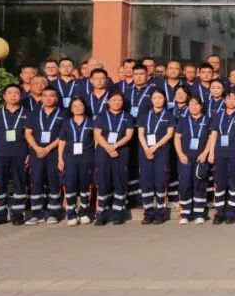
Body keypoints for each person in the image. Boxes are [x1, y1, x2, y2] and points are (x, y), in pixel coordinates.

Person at [0, 84, 31, 226]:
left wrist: (29, 153)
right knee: (0, 185)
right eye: (9, 93)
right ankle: (0, 215)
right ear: (4, 96)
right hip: (0, 154)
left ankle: (18, 215)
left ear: (21, 95)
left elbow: (30, 135)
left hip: (20, 154)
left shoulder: (28, 113)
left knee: (19, 184)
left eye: (16, 93)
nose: (13, 95)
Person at [92, 93, 135, 226]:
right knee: (103, 181)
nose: (117, 102)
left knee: (119, 181)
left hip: (121, 152)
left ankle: (118, 213)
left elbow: (128, 136)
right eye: (114, 100)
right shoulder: (101, 116)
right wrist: (108, 147)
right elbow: (97, 134)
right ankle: (102, 214)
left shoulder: (128, 116)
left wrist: (114, 146)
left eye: (119, 100)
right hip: (103, 152)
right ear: (108, 101)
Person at [24, 86, 65, 224]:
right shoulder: (33, 114)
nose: (48, 98)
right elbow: (28, 133)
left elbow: (63, 136)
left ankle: (53, 213)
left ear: (56, 98)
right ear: (41, 98)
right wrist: (37, 148)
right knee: (36, 182)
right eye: (45, 95)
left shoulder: (63, 114)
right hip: (37, 154)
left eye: (51, 95)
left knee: (54, 183)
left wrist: (48, 148)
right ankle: (37, 214)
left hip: (54, 153)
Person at [136, 89, 175, 224]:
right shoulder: (143, 115)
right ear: (151, 100)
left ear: (164, 100)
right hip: (145, 152)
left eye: (160, 98)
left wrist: (155, 147)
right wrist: (146, 148)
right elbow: (140, 133)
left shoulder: (169, 116)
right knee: (146, 181)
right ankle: (148, 212)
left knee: (160, 181)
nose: (157, 100)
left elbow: (169, 134)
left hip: (161, 152)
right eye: (155, 98)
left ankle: (160, 213)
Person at [207, 90, 235, 225]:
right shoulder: (218, 116)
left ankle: (232, 213)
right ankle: (219, 212)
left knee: (233, 183)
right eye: (228, 98)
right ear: (224, 101)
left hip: (234, 154)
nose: (231, 101)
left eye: (234, 99)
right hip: (219, 154)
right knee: (220, 183)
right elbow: (214, 135)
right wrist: (211, 153)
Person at [57, 96, 94, 226]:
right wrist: (60, 159)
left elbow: (96, 141)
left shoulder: (91, 122)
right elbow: (62, 141)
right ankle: (71, 213)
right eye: (75, 106)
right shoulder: (66, 123)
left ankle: (84, 212)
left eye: (80, 105)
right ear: (71, 109)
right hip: (70, 158)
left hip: (87, 157)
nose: (78, 108)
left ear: (84, 107)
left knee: (85, 185)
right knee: (70, 185)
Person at [175, 96, 211, 224]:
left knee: (200, 185)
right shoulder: (183, 120)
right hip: (185, 158)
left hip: (201, 159)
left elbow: (211, 138)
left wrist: (205, 153)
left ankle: (199, 214)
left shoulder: (208, 120)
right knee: (185, 185)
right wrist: (180, 154)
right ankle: (185, 214)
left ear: (201, 106)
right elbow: (177, 138)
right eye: (191, 104)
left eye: (196, 104)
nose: (194, 107)